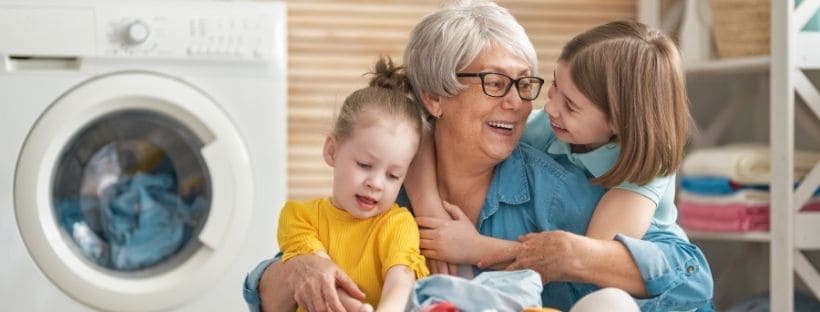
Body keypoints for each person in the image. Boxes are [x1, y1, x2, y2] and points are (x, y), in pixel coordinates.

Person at [243, 1, 713, 311]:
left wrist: (566, 254)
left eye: (524, 83)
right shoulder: (383, 184)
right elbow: (262, 289)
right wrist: (299, 271)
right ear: (434, 97)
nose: (520, 103)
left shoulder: (560, 183)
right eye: (494, 83)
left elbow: (693, 283)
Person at [275, 57, 429, 312]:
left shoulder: (398, 224)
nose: (376, 184)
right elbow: (325, 282)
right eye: (365, 165)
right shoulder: (299, 217)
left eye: (393, 175)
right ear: (332, 151)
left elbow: (401, 283)